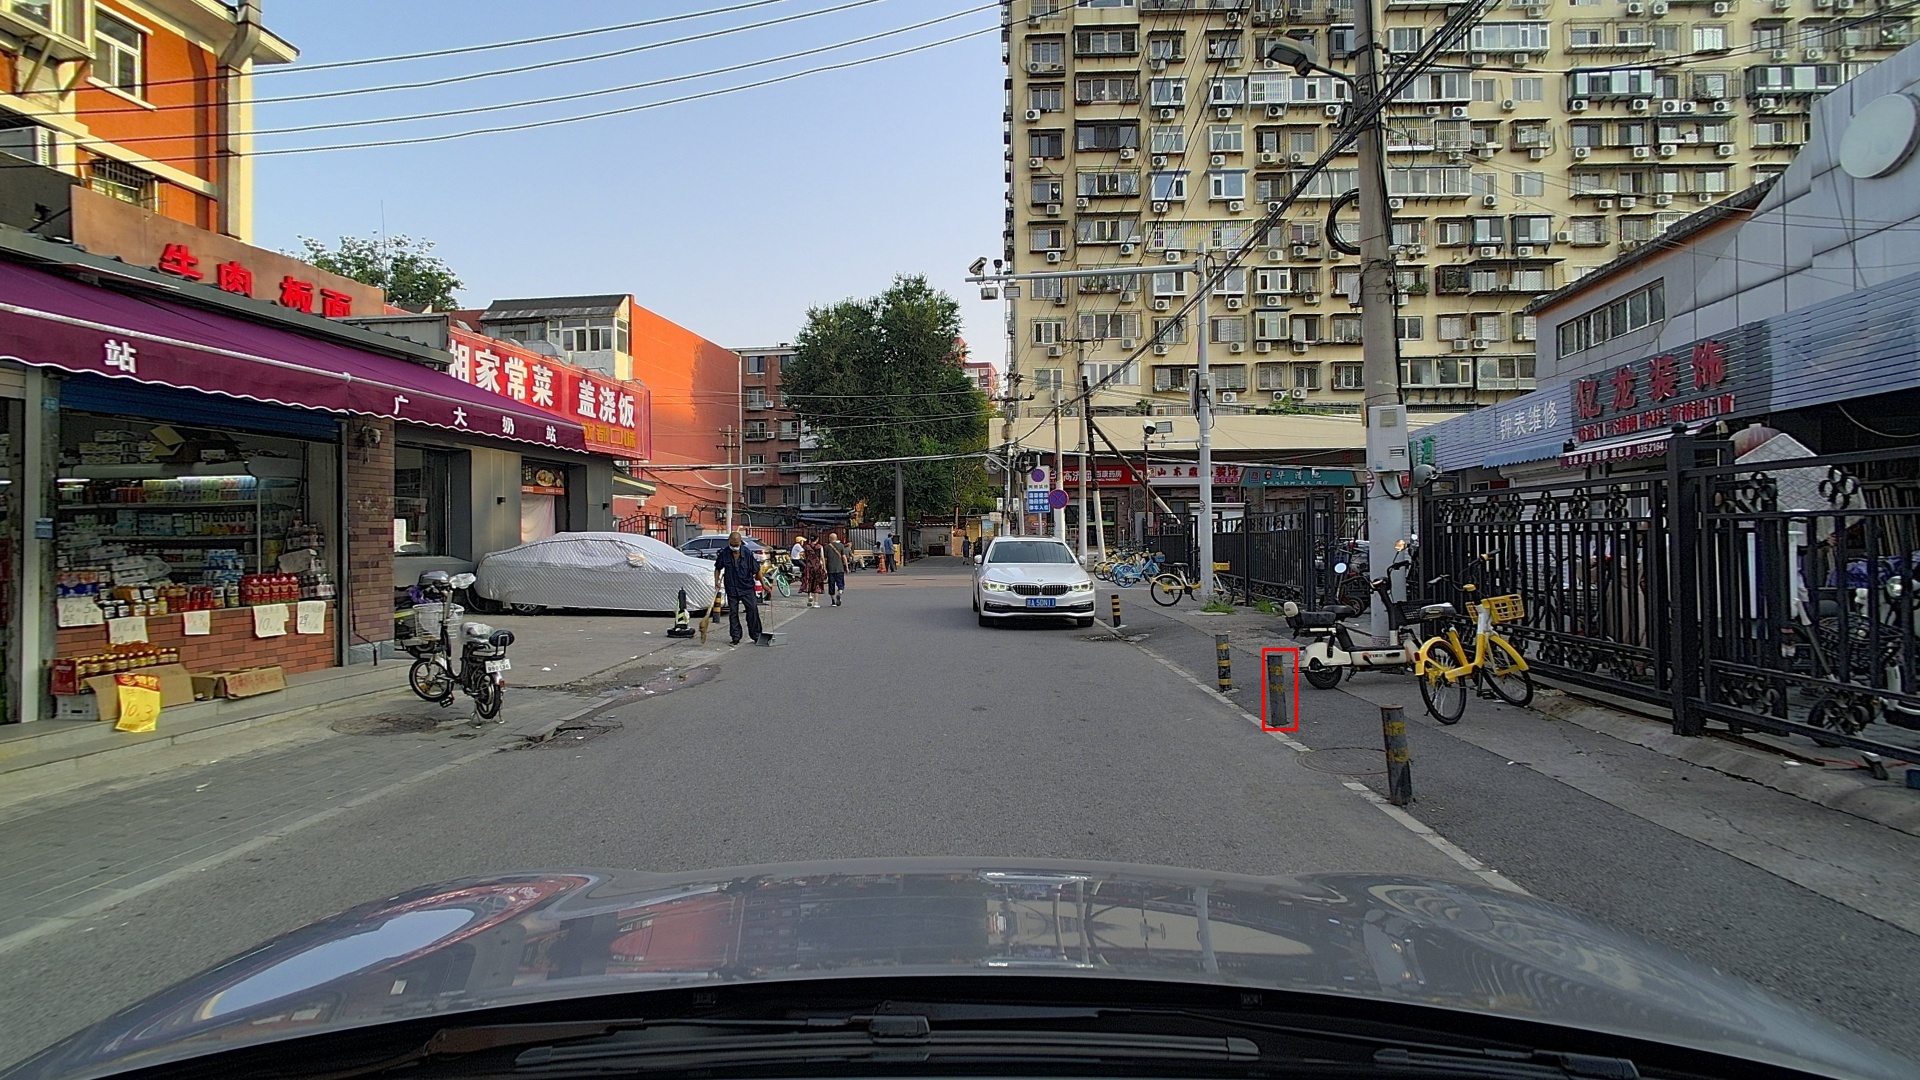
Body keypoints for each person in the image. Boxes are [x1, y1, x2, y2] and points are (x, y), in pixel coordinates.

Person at [714, 531, 771, 647]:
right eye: (732, 544)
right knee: (733, 613)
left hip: (747, 587)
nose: (734, 547)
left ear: (740, 542)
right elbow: (718, 568)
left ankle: (756, 635)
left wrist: (763, 584)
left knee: (752, 609)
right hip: (731, 587)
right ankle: (735, 637)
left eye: (736, 544)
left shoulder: (747, 553)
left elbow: (757, 570)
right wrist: (717, 581)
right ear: (729, 542)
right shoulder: (724, 554)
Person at [822, 532, 849, 606]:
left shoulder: (827, 547)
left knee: (831, 585)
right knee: (841, 584)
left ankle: (833, 601)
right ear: (836, 538)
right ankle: (839, 593)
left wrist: (824, 567)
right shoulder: (841, 545)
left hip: (830, 569)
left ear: (829, 539)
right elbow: (844, 557)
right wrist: (846, 566)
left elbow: (825, 559)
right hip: (840, 568)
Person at [800, 535, 827, 607]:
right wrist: (824, 567)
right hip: (817, 566)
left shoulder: (806, 547)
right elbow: (822, 557)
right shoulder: (820, 547)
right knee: (817, 583)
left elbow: (804, 556)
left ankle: (810, 596)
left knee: (809, 581)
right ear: (817, 539)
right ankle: (816, 603)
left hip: (809, 566)